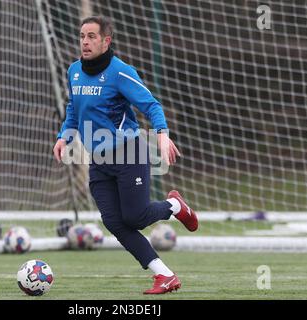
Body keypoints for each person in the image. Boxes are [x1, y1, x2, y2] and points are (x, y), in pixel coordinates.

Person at [53, 16, 198, 294]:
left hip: (128, 153)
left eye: (92, 36)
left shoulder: (120, 72)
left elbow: (151, 104)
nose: (85, 41)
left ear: (106, 41)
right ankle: (164, 275)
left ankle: (176, 207)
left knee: (136, 217)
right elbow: (73, 108)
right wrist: (63, 136)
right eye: (82, 36)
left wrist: (162, 133)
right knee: (113, 221)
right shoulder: (73, 71)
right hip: (99, 159)